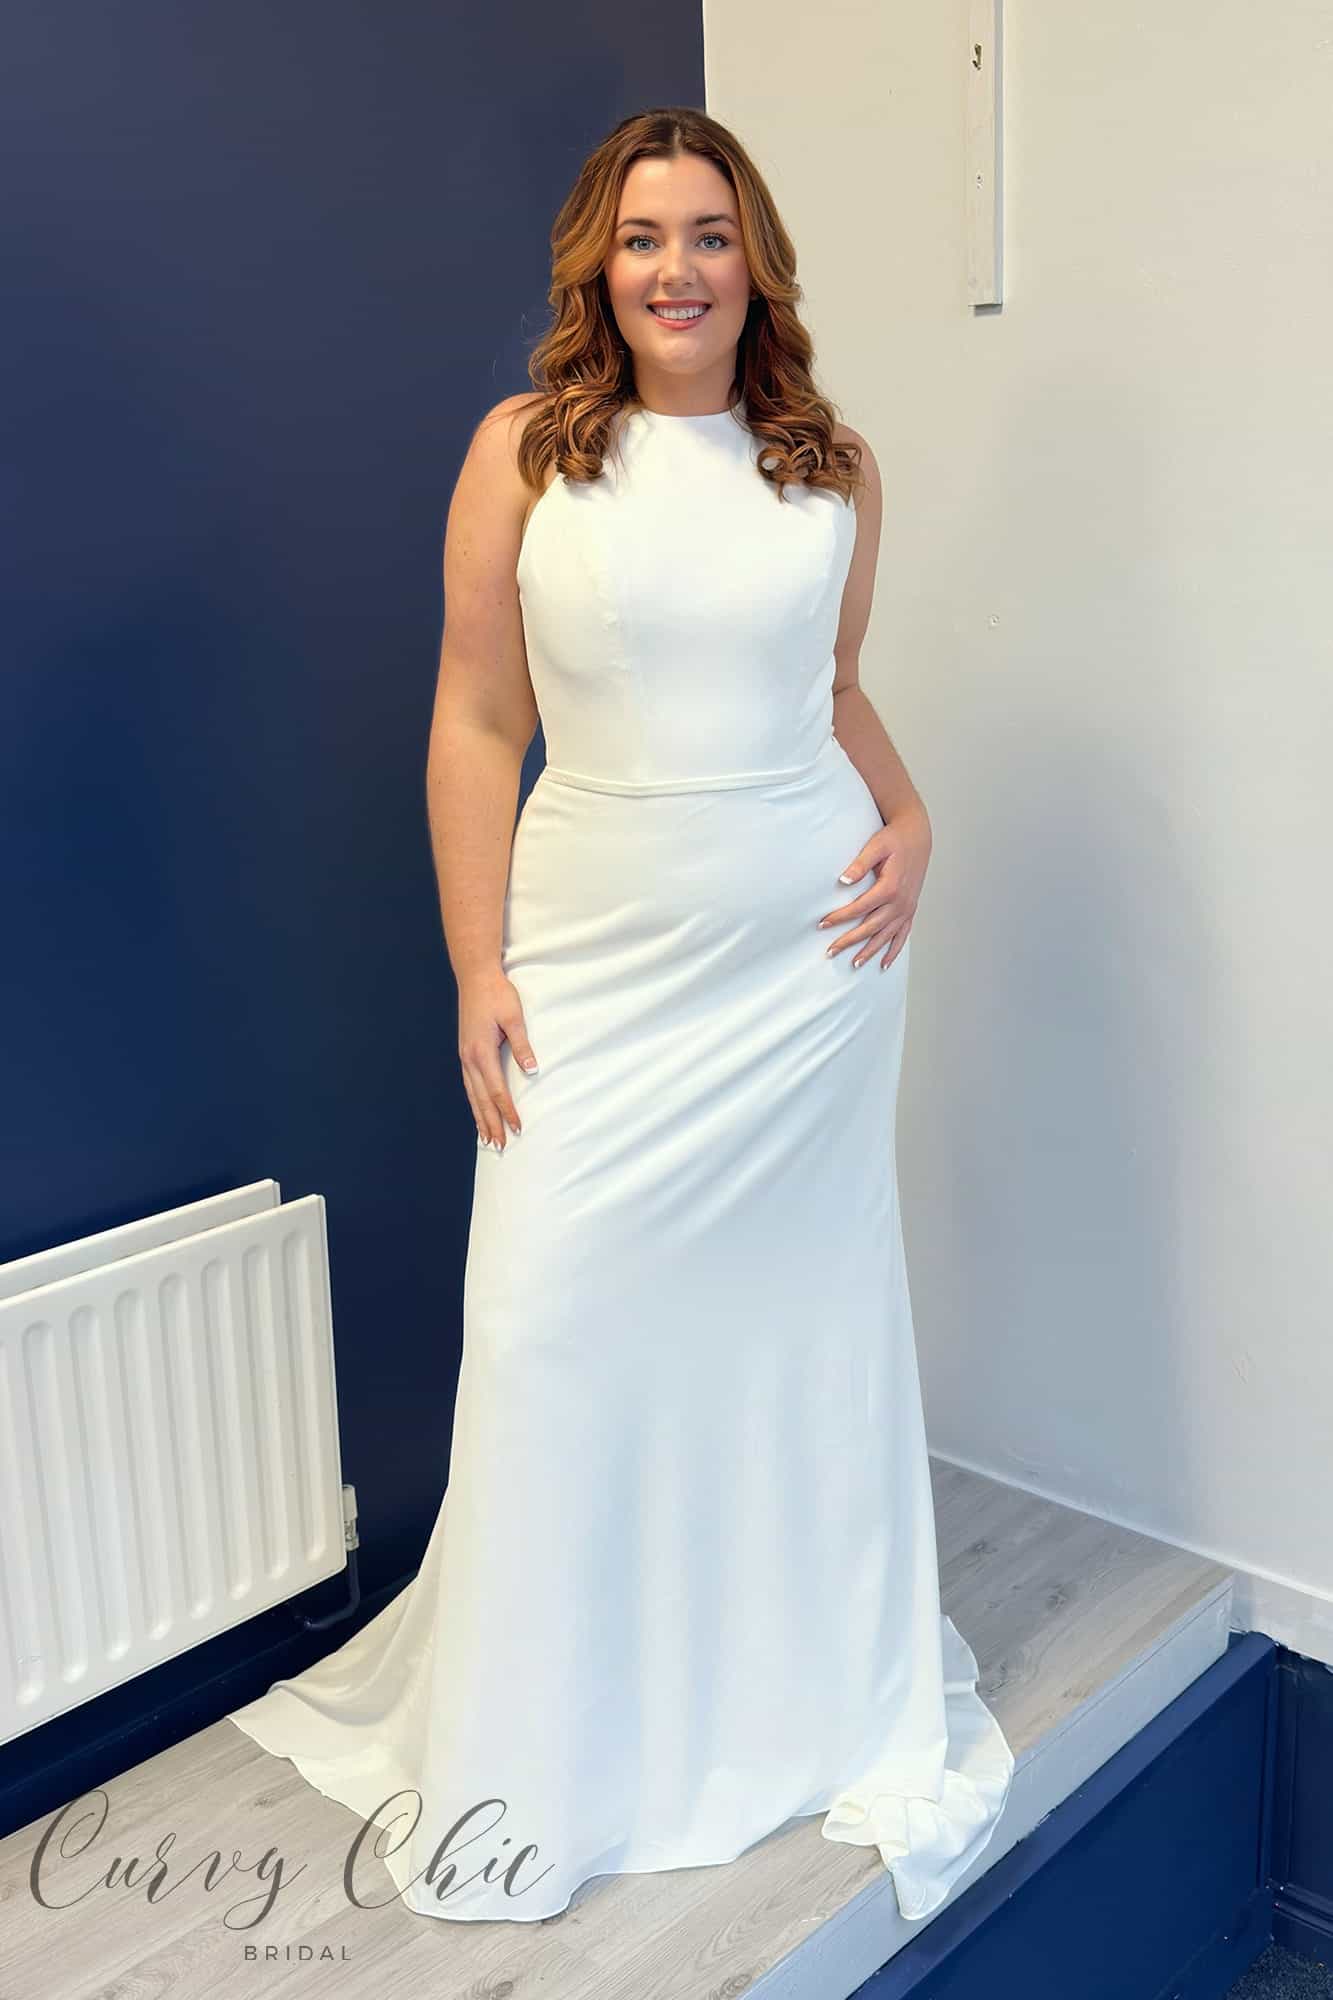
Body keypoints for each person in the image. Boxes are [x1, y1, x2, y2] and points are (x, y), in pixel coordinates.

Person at [226, 104, 1014, 1926]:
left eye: (709, 235)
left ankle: (779, 1695)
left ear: (756, 263)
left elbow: (829, 686)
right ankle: (556, 1744)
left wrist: (910, 818)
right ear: (598, 261)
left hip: (808, 977)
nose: (677, 268)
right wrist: (477, 964)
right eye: (644, 236)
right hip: (593, 958)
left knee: (788, 1334)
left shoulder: (832, 463)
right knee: (556, 1327)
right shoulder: (524, 452)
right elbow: (476, 721)